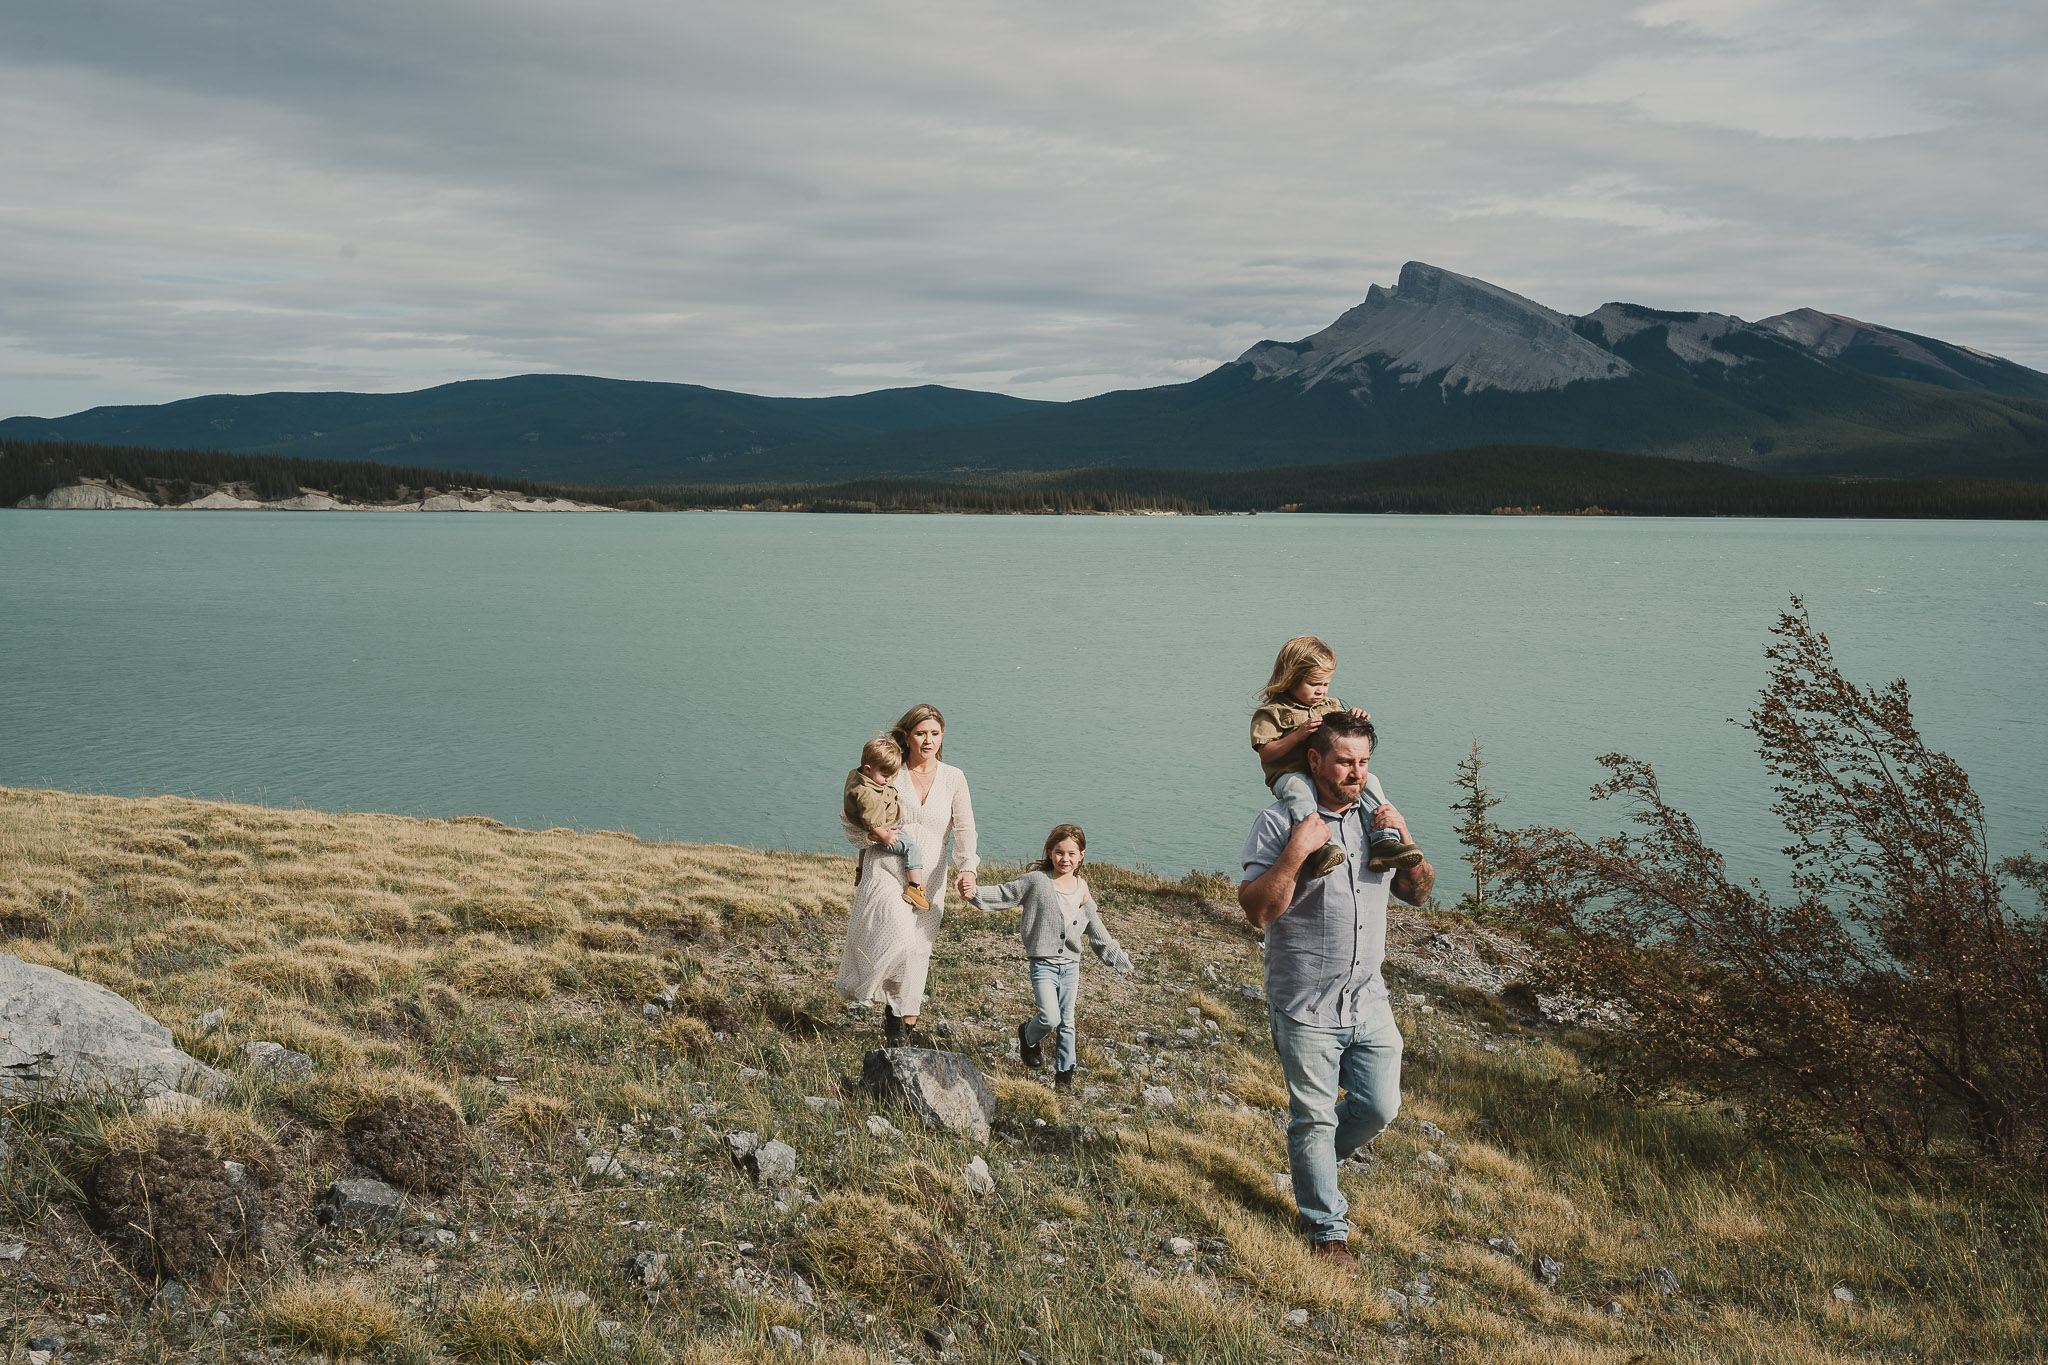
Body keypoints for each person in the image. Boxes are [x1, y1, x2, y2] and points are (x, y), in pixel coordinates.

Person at [1238, 710, 1434, 1270]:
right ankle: (1327, 1230)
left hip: (1370, 1001)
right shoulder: (1278, 822)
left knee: (1379, 1106)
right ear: (1316, 760)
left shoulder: (1378, 820)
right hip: (1305, 1005)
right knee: (1314, 1118)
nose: (1355, 772)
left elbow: (1417, 893)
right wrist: (1299, 849)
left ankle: (1315, 1161)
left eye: (1364, 762)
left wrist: (1410, 839)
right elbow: (1257, 911)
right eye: (1345, 761)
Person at [836, 704, 980, 1042]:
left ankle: (899, 1026)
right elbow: (851, 816)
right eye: (920, 733)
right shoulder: (890, 770)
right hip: (885, 866)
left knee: (918, 950)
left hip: (930, 875)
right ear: (907, 736)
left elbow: (965, 828)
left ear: (942, 736)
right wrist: (873, 835)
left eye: (934, 733)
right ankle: (886, 1003)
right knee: (898, 937)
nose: (928, 740)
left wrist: (968, 869)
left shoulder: (953, 777)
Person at [971, 823, 1132, 1091]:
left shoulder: (1082, 888)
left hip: (1071, 966)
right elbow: (1005, 893)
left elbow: (1096, 929)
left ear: (1082, 855)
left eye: (1071, 853)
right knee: (1050, 1018)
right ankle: (1028, 1035)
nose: (1064, 859)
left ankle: (1064, 1075)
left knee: (1067, 1022)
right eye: (1059, 852)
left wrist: (1119, 959)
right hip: (1043, 964)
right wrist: (973, 892)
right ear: (1049, 851)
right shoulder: (1036, 881)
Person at [1250, 635, 1423, 880]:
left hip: (1324, 773)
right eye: (1314, 683)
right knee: (1300, 791)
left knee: (1370, 781)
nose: (1321, 690)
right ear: (1290, 678)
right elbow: (1266, 752)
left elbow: (1343, 732)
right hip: (1288, 775)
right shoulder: (1272, 714)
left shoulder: (1330, 705)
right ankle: (1318, 847)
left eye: (1326, 684)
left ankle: (1383, 841)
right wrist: (1297, 736)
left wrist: (1354, 717)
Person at [843, 735, 929, 910]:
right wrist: (885, 837)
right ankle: (915, 888)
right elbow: (871, 821)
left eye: (892, 775)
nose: (889, 779)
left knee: (864, 847)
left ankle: (860, 871)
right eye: (885, 775)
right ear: (867, 769)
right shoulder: (868, 795)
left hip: (871, 827)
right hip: (882, 831)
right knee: (911, 848)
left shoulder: (858, 775)